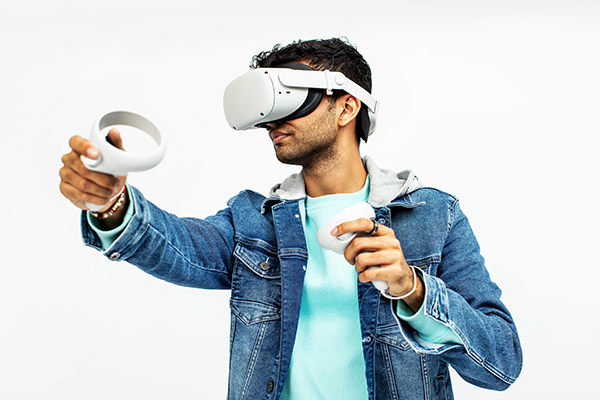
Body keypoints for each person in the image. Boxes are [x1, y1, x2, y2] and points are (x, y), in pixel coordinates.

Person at [59, 37, 522, 400]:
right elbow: (179, 247)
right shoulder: (254, 220)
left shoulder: (433, 216)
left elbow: (502, 363)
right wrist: (111, 203)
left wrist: (413, 289)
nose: (271, 120)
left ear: (347, 106)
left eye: (293, 97)